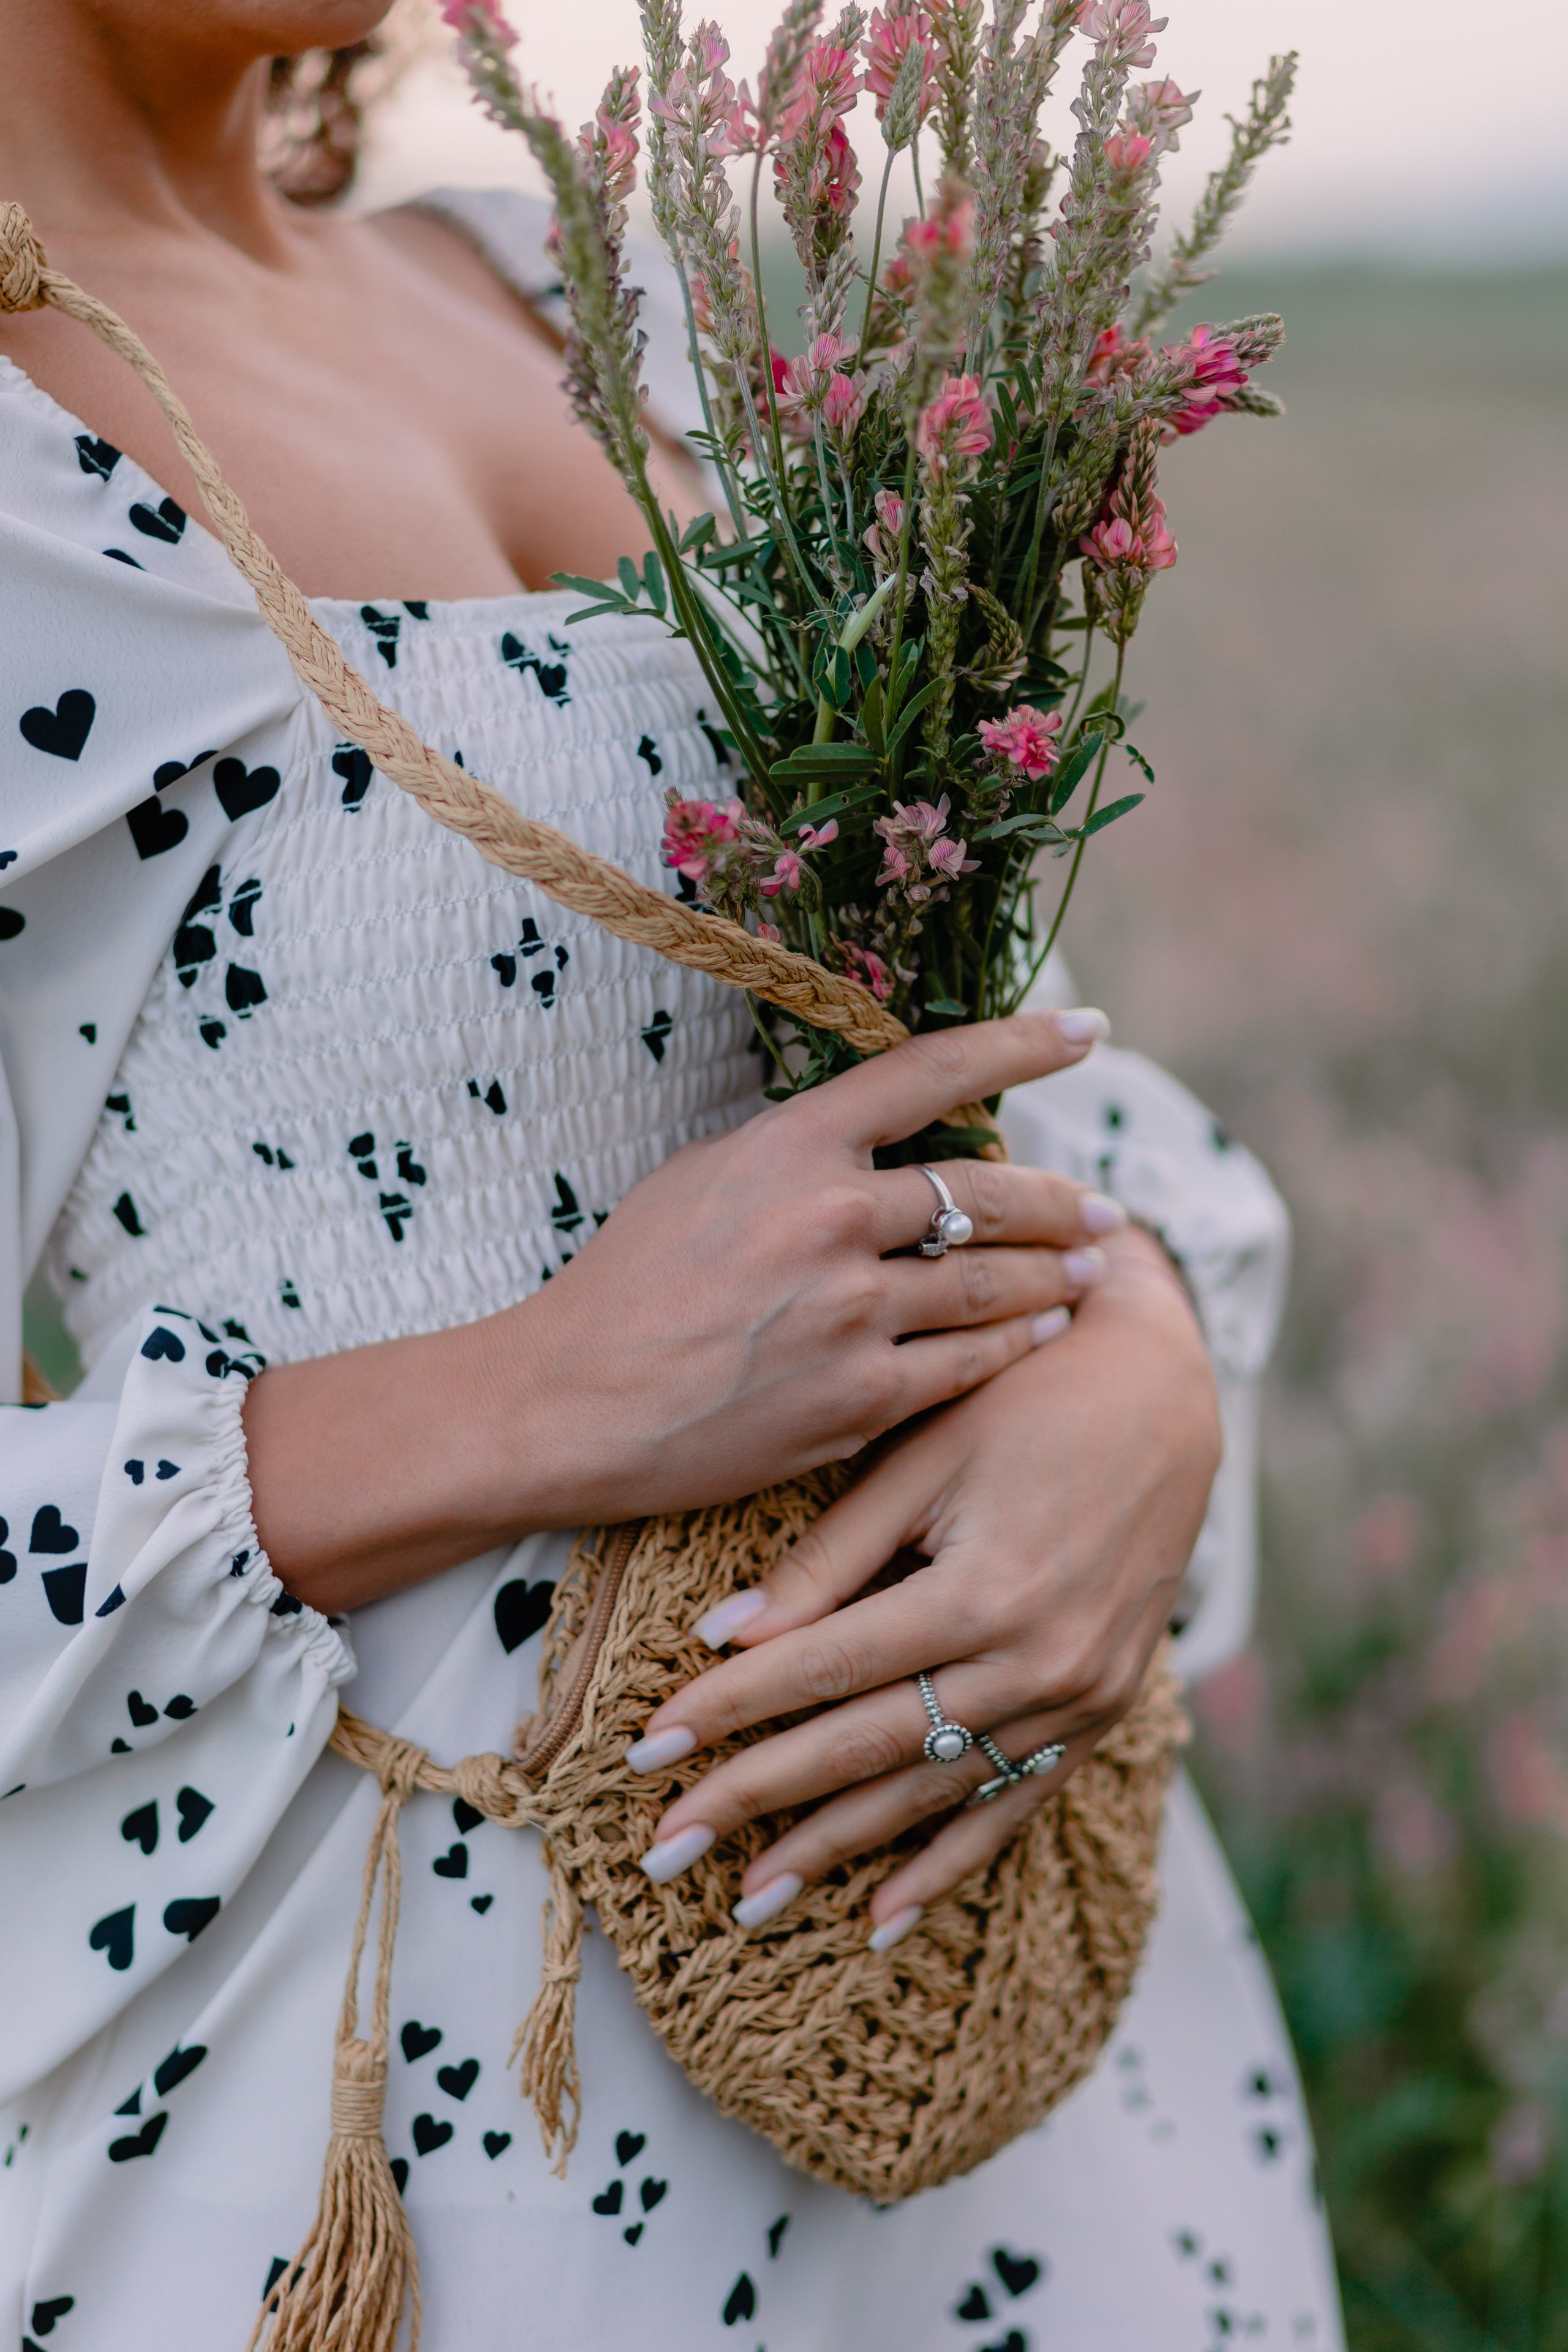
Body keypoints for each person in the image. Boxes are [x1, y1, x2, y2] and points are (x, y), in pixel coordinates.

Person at [0, 5, 1342, 2345]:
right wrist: (549, 1391)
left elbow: (969, 1037)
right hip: (424, 2112)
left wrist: (1133, 1356)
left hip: (991, 2008)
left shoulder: (562, 292)